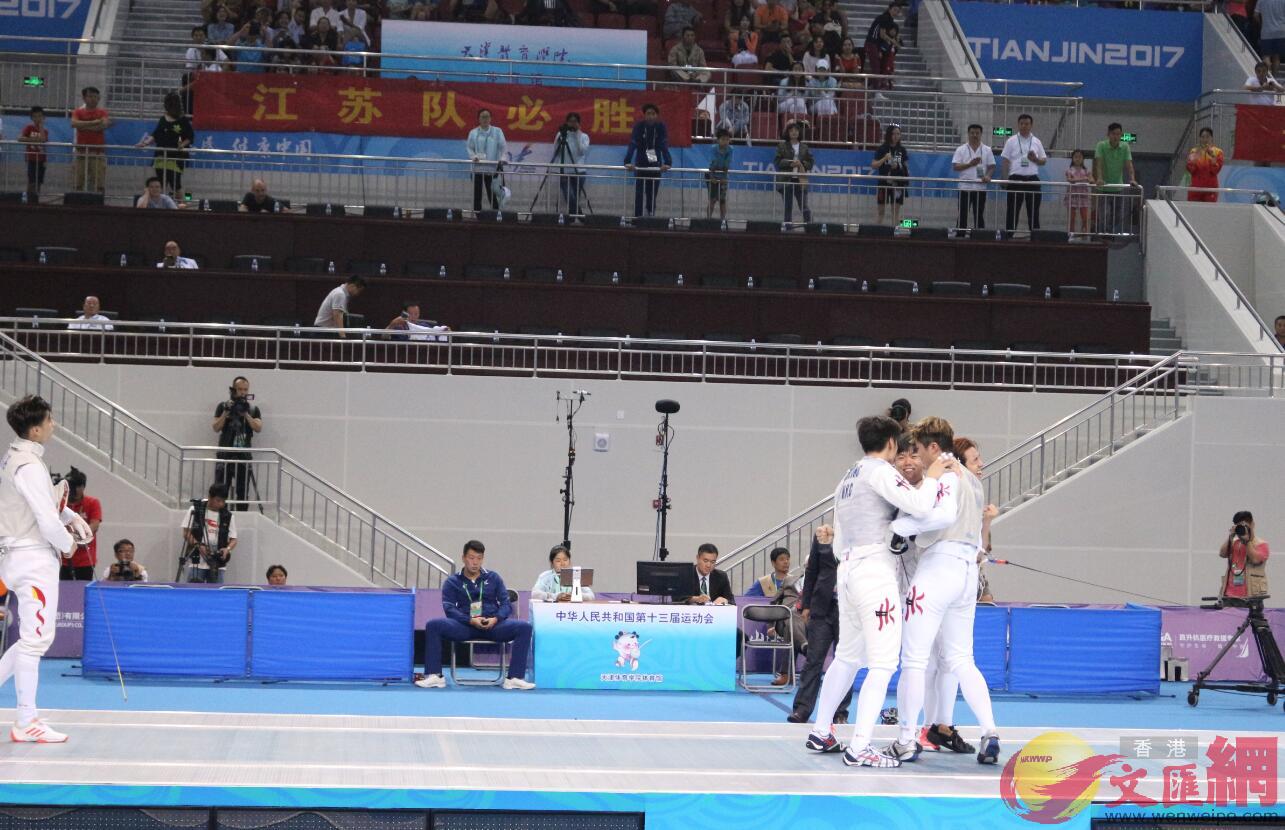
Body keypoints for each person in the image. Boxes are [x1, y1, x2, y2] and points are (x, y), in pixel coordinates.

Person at [805, 414, 955, 768]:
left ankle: (821, 731)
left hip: (849, 571)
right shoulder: (880, 470)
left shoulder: (849, 474)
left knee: (847, 656)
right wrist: (934, 476)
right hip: (874, 573)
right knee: (884, 663)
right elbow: (920, 506)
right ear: (890, 442)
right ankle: (860, 747)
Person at [890, 417, 1000, 766]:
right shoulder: (973, 480)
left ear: (934, 447)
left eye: (920, 450)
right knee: (961, 659)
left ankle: (907, 739)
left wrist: (899, 527)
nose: (919, 459)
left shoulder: (949, 472)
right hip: (967, 573)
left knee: (914, 658)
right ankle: (990, 731)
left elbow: (940, 515)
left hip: (939, 568)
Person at [0, 396, 90, 743]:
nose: (54, 424)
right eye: (50, 420)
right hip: (33, 557)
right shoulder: (28, 465)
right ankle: (26, 720)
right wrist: (69, 545)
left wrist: (68, 515)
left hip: (21, 554)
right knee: (36, 641)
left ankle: (27, 717)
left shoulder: (16, 458)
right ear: (36, 429)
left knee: (31, 640)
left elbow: (35, 503)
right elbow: (43, 518)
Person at [416, 540, 535, 690]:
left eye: (479, 558)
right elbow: (449, 608)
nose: (475, 562)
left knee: (524, 627)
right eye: (471, 558)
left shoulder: (493, 578)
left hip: (493, 626)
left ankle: (514, 677)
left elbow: (505, 604)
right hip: (465, 626)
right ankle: (435, 676)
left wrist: (496, 618)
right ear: (463, 558)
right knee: (433, 625)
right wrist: (470, 620)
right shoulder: (452, 582)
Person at [789, 528, 852, 724]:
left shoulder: (859, 533)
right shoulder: (822, 535)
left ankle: (840, 711)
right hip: (822, 607)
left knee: (845, 661)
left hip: (849, 608)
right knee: (813, 660)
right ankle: (802, 709)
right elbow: (812, 571)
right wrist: (806, 604)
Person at [212, 376, 263, 510]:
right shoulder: (223, 406)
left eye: (245, 390)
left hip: (243, 457)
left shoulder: (252, 409)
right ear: (233, 390)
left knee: (242, 493)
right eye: (239, 389)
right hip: (225, 456)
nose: (242, 392)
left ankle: (241, 520)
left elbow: (258, 428)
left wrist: (245, 413)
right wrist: (226, 412)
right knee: (221, 492)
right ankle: (220, 519)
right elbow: (215, 427)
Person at [182, 483, 237, 583]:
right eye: (218, 500)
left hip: (218, 563)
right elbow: (186, 533)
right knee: (194, 592)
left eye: (223, 501)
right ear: (210, 497)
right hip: (197, 561)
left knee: (217, 594)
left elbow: (234, 539)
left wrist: (227, 549)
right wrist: (198, 545)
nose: (221, 504)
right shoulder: (196, 509)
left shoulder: (227, 515)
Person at [623, 103, 672, 218]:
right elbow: (633, 143)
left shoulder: (661, 127)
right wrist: (627, 161)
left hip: (655, 163)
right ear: (644, 115)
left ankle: (650, 216)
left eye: (653, 114)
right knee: (639, 193)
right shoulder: (639, 126)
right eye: (648, 114)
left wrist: (668, 162)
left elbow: (663, 144)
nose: (650, 116)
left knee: (652, 194)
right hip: (641, 162)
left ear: (657, 115)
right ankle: (637, 218)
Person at [1000, 114, 1046, 233]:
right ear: (1018, 124)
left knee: (1034, 210)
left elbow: (1043, 160)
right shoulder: (1011, 141)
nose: (1024, 126)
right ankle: (1009, 236)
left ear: (1031, 125)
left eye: (1027, 124)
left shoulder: (1037, 141)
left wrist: (1035, 159)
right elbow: (1005, 160)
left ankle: (1035, 237)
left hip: (1032, 178)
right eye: (1021, 123)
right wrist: (1004, 179)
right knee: (1012, 210)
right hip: (1015, 178)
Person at [1092, 123, 1138, 236]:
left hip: (1118, 187)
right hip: (1104, 187)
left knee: (1118, 216)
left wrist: (1132, 179)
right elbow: (1099, 164)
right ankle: (1104, 234)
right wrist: (1100, 178)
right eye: (1113, 134)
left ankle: (1108, 232)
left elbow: (1129, 165)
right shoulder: (1101, 145)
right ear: (1108, 134)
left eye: (1118, 134)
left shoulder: (1125, 146)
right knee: (1104, 214)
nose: (1116, 137)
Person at [59, 468, 101, 581]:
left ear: (83, 487)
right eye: (71, 486)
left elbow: (94, 526)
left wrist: (79, 537)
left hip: (85, 561)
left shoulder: (92, 502)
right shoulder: (63, 504)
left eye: (76, 486)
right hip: (65, 560)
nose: (74, 490)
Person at [952, 123, 994, 232]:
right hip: (964, 187)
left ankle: (979, 237)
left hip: (980, 188)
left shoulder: (987, 150)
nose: (974, 135)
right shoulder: (961, 149)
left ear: (981, 134)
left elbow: (992, 166)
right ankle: (960, 235)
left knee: (979, 215)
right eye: (972, 133)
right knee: (962, 214)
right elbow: (955, 167)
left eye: (977, 133)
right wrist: (970, 164)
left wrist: (988, 176)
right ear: (968, 134)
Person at [1219, 510, 1269, 599]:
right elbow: (1222, 554)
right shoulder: (1235, 542)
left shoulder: (1261, 544)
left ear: (1252, 524)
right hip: (1229, 594)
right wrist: (1230, 537)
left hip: (1251, 595)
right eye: (1239, 526)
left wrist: (1247, 541)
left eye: (1244, 525)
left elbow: (1255, 560)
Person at [71, 86, 111, 194]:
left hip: (97, 153)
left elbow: (103, 125)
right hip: (81, 153)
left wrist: (83, 126)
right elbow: (74, 123)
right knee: (77, 183)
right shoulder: (78, 112)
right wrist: (94, 122)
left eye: (96, 96)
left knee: (99, 184)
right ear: (84, 98)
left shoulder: (103, 112)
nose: (93, 99)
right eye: (90, 96)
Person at [467, 109, 507, 213]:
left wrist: (502, 159)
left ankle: (495, 215)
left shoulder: (497, 131)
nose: (485, 119)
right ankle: (477, 215)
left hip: (491, 168)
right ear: (478, 119)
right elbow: (469, 148)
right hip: (478, 168)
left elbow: (503, 147)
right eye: (483, 117)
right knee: (477, 194)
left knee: (492, 193)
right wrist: (473, 156)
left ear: (491, 118)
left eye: (487, 116)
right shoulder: (473, 132)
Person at [775, 120, 813, 224]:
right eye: (791, 130)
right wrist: (790, 164)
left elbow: (811, 163)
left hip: (800, 181)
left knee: (804, 206)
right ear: (788, 133)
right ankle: (787, 229)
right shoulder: (782, 146)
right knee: (788, 207)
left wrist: (802, 164)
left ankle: (809, 227)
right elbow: (777, 162)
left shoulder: (804, 147)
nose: (794, 132)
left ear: (799, 132)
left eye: (796, 130)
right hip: (786, 180)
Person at [530, 544, 596, 601]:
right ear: (551, 562)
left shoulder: (575, 575)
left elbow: (591, 596)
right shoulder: (545, 576)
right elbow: (534, 594)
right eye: (558, 561)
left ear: (569, 561)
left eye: (565, 560)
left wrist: (575, 596)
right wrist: (556, 596)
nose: (562, 563)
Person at [872, 124, 909, 226]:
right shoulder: (882, 149)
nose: (896, 136)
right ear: (889, 135)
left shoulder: (902, 150)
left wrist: (898, 166)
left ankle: (895, 235)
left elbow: (906, 169)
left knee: (895, 213)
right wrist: (884, 159)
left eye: (898, 134)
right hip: (883, 183)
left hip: (897, 184)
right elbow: (874, 165)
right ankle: (877, 236)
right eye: (893, 134)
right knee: (881, 212)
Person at [556, 112, 590, 217]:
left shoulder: (584, 136)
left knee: (575, 196)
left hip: (579, 171)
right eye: (570, 121)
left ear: (579, 123)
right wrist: (563, 136)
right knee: (569, 195)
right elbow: (556, 151)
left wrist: (577, 135)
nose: (572, 124)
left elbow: (582, 151)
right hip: (565, 171)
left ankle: (571, 218)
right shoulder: (561, 135)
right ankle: (579, 215)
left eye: (575, 121)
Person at [864, 2, 900, 92]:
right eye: (894, 10)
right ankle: (876, 91)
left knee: (879, 66)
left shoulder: (890, 20)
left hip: (876, 44)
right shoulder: (885, 18)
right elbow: (882, 35)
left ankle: (873, 86)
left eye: (898, 11)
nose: (896, 12)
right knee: (876, 67)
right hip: (871, 42)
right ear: (889, 9)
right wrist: (893, 41)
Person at [1186, 128, 1224, 203]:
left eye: (1207, 137)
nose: (1205, 139)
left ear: (1211, 138)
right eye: (1203, 137)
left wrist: (1212, 156)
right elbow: (1190, 169)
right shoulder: (1194, 151)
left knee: (1209, 212)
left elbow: (1215, 170)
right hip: (1195, 188)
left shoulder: (1218, 152)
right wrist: (1194, 159)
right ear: (1200, 138)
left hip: (1210, 189)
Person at [19, 106, 48, 203]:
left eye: (40, 116)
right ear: (31, 118)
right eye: (35, 117)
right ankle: (28, 199)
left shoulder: (45, 130)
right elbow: (21, 138)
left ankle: (36, 199)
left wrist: (40, 127)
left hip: (41, 159)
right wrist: (35, 140)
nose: (37, 119)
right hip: (31, 158)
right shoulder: (29, 128)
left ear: (44, 118)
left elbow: (43, 139)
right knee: (31, 180)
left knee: (39, 181)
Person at [707, 127, 733, 220]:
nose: (725, 142)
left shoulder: (730, 149)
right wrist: (712, 177)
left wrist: (724, 177)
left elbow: (727, 163)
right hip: (712, 174)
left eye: (727, 139)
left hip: (723, 176)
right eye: (723, 139)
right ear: (718, 140)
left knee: (722, 200)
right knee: (713, 200)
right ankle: (708, 220)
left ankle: (723, 221)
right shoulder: (713, 149)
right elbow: (713, 163)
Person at [1065, 149, 1092, 235]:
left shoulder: (1087, 171)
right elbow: (1070, 180)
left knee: (1085, 218)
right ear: (1072, 158)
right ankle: (1071, 235)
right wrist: (1084, 179)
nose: (1078, 159)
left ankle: (1084, 234)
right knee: (1071, 218)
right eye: (1076, 157)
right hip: (1072, 196)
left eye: (1080, 157)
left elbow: (1092, 180)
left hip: (1083, 196)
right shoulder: (1069, 170)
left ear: (1083, 159)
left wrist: (1091, 180)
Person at [1258, 0, 1285, 77]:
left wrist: (1261, 25)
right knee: (1276, 57)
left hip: (1266, 32)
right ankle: (1274, 77)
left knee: (1266, 56)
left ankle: (1267, 77)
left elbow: (1255, 15)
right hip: (1281, 32)